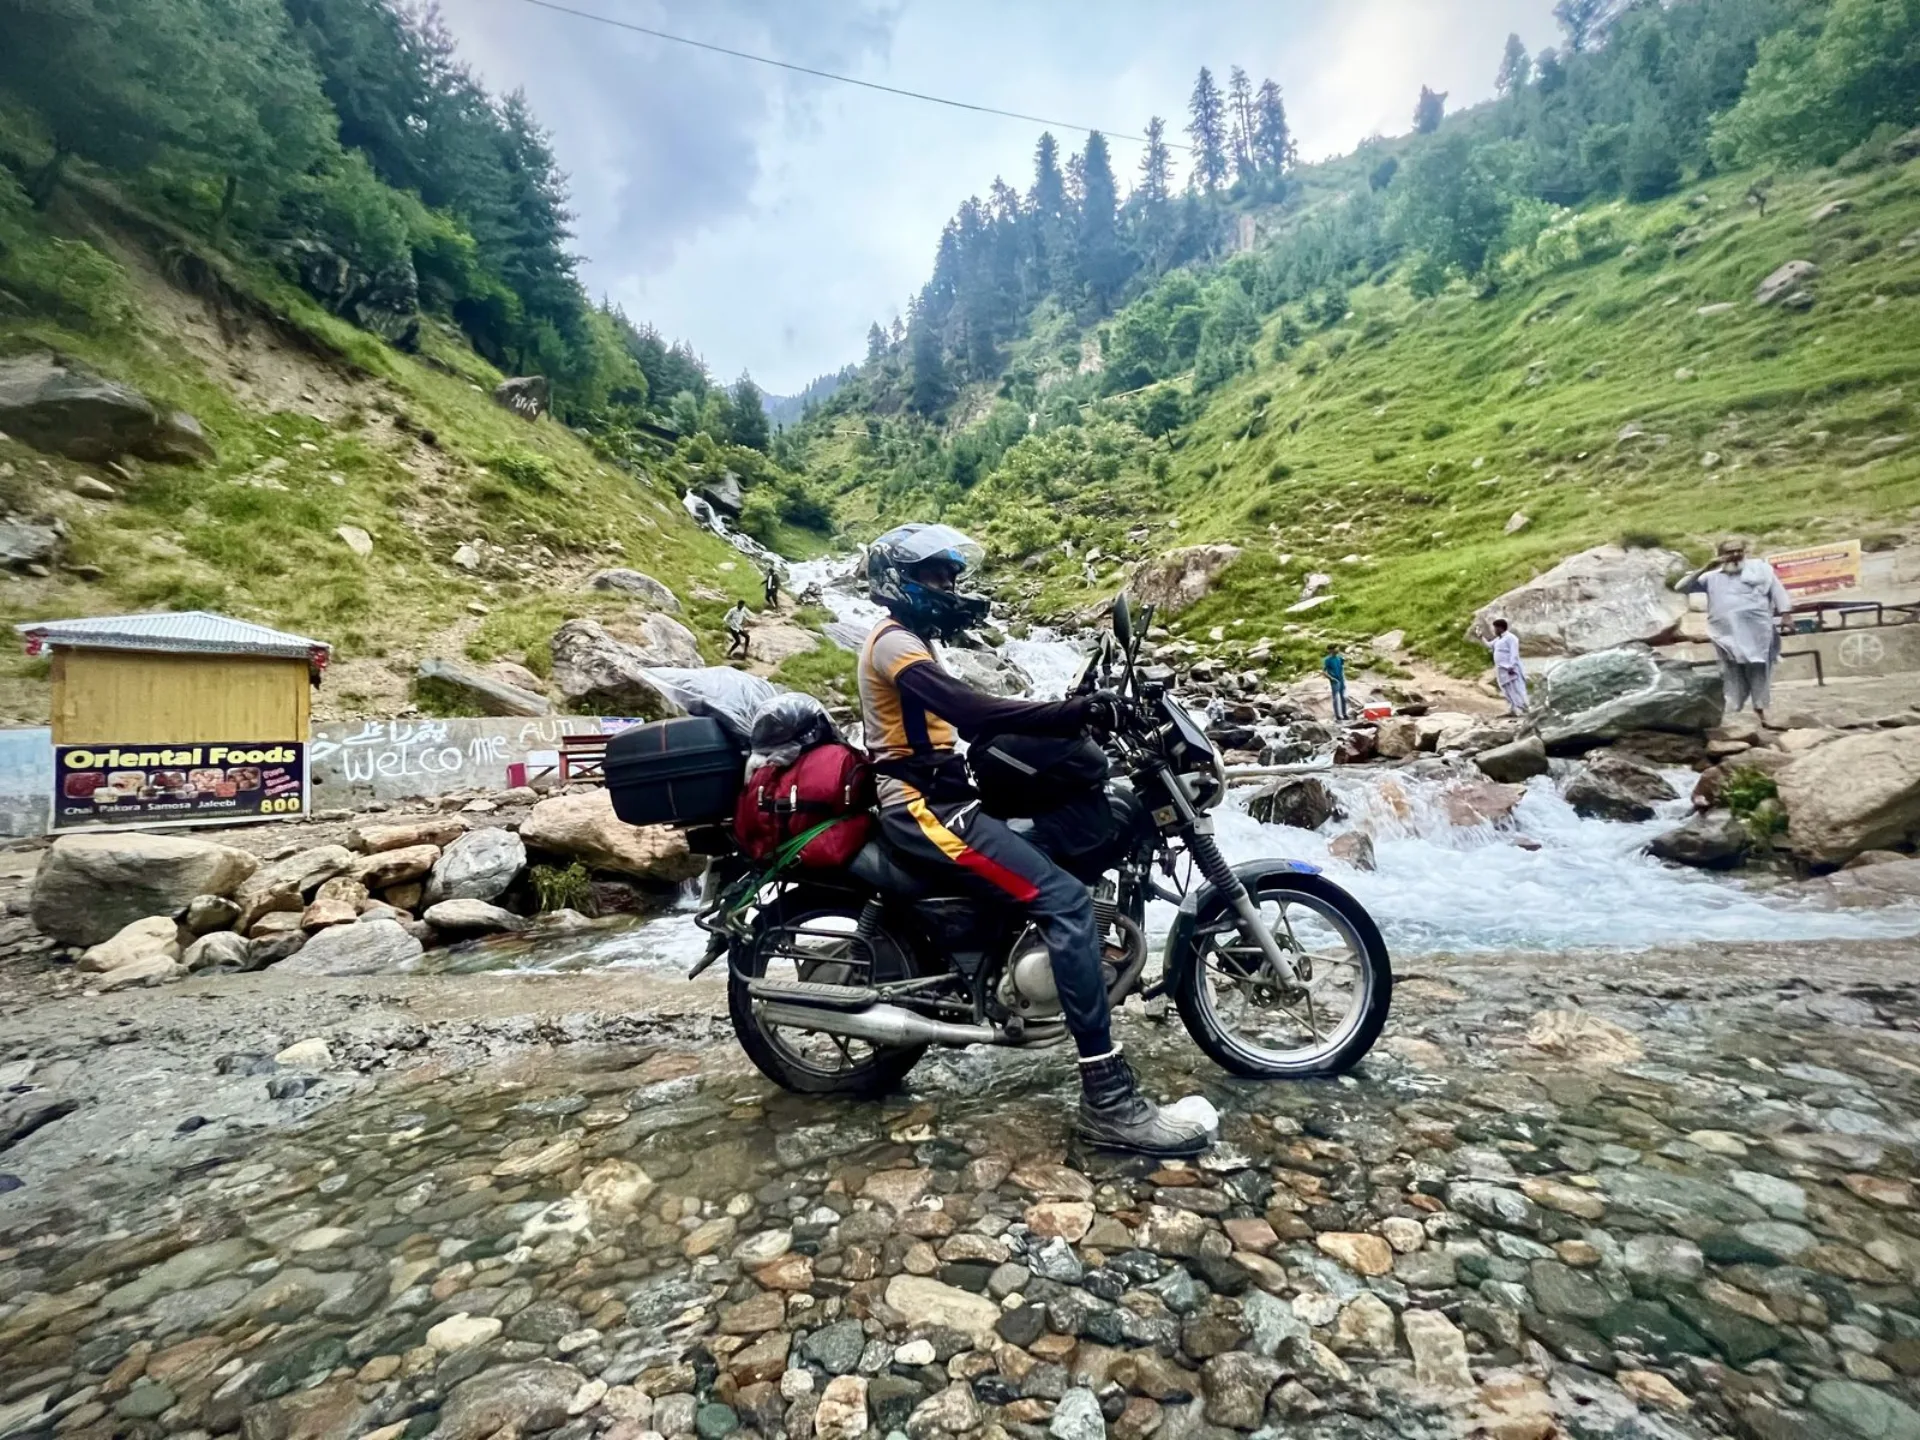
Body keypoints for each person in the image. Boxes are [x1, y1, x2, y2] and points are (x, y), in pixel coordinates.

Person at [859, 521, 1210, 1157]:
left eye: (952, 573)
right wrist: (1075, 713)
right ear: (900, 582)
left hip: (946, 796)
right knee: (1066, 903)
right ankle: (1108, 1098)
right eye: (938, 574)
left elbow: (975, 716)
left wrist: (1075, 710)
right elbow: (971, 713)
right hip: (921, 809)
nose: (951, 585)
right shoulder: (891, 643)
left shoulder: (910, 641)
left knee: (1056, 844)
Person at [1676, 538, 1793, 724]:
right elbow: (1681, 587)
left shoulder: (1761, 570)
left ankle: (1761, 708)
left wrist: (1786, 616)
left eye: (1739, 550)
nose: (1735, 555)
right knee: (1730, 670)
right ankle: (1733, 710)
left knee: (1760, 669)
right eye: (1729, 552)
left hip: (1757, 631)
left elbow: (1778, 592)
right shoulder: (1710, 577)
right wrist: (1706, 567)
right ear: (1721, 555)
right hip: (1725, 633)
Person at [1487, 619, 1528, 715]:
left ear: (1500, 628)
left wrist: (1511, 666)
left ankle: (1525, 709)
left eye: (1495, 628)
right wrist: (1481, 637)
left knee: (1516, 688)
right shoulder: (1498, 639)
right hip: (1501, 669)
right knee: (1506, 689)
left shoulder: (1511, 638)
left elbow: (1514, 653)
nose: (1494, 630)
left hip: (1510, 669)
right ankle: (1512, 710)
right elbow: (1489, 645)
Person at [1322, 645, 1349, 721]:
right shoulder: (1327, 660)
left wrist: (1343, 678)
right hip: (1335, 681)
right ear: (1330, 650)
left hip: (1341, 679)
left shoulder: (1339, 658)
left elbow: (1342, 666)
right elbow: (1324, 672)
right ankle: (1337, 715)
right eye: (1335, 648)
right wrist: (1331, 678)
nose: (1337, 649)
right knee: (1336, 698)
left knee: (1343, 697)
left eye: (1337, 648)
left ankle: (1344, 714)